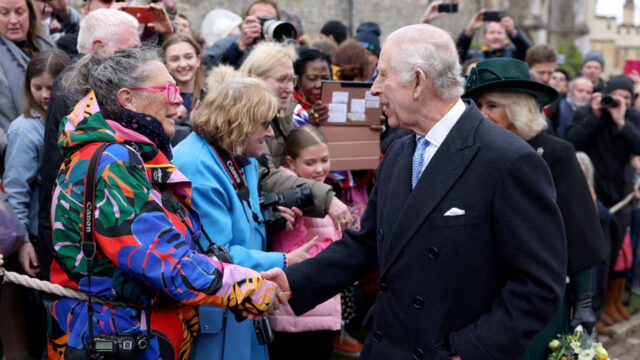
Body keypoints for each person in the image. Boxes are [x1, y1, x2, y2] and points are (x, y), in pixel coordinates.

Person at [263, 23, 567, 359]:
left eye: (383, 76)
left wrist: (469, 350)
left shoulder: (508, 160)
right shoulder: (399, 152)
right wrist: (295, 281)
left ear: (418, 82)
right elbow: (367, 243)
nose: (374, 89)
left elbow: (538, 285)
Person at [46, 47, 280, 360]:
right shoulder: (114, 162)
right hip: (122, 339)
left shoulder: (124, 153)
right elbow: (162, 261)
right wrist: (247, 287)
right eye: (167, 89)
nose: (177, 99)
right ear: (127, 98)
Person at [463, 57, 606, 359]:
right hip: (479, 295)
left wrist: (583, 300)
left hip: (535, 298)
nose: (481, 114)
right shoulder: (471, 153)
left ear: (516, 107)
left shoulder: (556, 153)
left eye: (492, 106)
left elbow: (579, 231)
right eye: (477, 106)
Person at [172, 65, 309, 360]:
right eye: (264, 123)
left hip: (240, 304)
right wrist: (284, 260)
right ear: (239, 123)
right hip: (217, 314)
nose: (270, 132)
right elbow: (215, 254)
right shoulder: (197, 164)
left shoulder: (238, 155)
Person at [38, 8, 141, 282]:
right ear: (99, 47)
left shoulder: (91, 82)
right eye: (131, 50)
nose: (139, 59)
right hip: (78, 246)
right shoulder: (78, 88)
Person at [0, 48, 69, 360]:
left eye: (51, 87)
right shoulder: (25, 130)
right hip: (36, 241)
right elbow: (16, 194)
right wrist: (24, 243)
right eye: (37, 87)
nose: (44, 95)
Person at [239, 41, 353, 227]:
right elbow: (264, 176)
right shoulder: (244, 118)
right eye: (281, 80)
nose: (290, 89)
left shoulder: (287, 109)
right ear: (255, 78)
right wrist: (326, 199)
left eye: (292, 80)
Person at [260, 125, 342, 360]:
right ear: (290, 162)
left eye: (324, 160)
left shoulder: (321, 194)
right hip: (297, 316)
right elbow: (292, 254)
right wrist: (337, 249)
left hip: (316, 311)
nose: (319, 169)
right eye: (310, 163)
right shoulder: (294, 199)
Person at [565, 75, 640, 330]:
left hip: (621, 199)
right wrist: (596, 116)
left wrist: (621, 121)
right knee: (596, 255)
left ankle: (602, 309)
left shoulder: (631, 118)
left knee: (613, 255)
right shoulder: (589, 113)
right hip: (592, 199)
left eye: (627, 98)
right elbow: (570, 142)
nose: (621, 101)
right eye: (616, 96)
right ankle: (590, 314)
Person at [0, 0, 55, 169]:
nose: (13, 20)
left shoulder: (45, 45)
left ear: (31, 13)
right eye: (4, 13)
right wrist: (14, 149)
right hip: (12, 160)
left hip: (52, 153)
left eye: (19, 12)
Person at [161, 34, 205, 145]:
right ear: (165, 64)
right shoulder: (159, 100)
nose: (183, 64)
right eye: (175, 59)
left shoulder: (213, 97)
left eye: (188, 57)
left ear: (198, 60)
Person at [456, 9, 532, 62]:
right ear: (483, 38)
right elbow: (457, 57)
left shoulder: (515, 54)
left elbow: (530, 52)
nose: (496, 36)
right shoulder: (473, 57)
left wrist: (513, 31)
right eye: (492, 32)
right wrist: (470, 29)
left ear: (506, 37)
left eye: (499, 33)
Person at [292, 47, 332, 127]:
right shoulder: (288, 108)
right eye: (312, 78)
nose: (319, 85)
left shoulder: (337, 107)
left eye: (325, 78)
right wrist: (306, 119)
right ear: (298, 81)